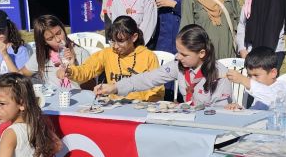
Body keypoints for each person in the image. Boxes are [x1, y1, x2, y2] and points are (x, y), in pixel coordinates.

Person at [94, 24, 233, 106]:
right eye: (178, 52)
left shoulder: (220, 75)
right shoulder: (179, 65)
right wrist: (115, 87)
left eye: (184, 54)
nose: (178, 57)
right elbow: (148, 78)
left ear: (201, 53)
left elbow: (220, 114)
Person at [60, 15, 162, 101]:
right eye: (113, 41)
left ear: (134, 37)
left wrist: (147, 106)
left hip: (141, 106)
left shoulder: (148, 56)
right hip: (114, 105)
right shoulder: (107, 53)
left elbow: (157, 90)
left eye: (121, 41)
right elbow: (87, 70)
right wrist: (70, 71)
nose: (115, 46)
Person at [4, 15, 88, 89]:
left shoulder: (80, 53)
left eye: (59, 33)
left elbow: (91, 88)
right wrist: (5, 54)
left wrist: (72, 67)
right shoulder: (42, 55)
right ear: (44, 42)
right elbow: (20, 75)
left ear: (63, 29)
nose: (58, 39)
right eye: (50, 38)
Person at [225, 46, 286, 113]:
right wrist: (240, 109)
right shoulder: (259, 90)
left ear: (273, 73)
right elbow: (254, 111)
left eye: (256, 75)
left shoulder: (281, 87)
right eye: (249, 75)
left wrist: (243, 80)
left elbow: (271, 97)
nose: (252, 79)